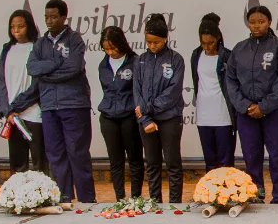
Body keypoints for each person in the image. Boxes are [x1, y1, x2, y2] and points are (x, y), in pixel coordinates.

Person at [28, 0, 96, 206]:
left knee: (77, 153)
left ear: (64, 17)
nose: (49, 20)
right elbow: (32, 68)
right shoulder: (40, 43)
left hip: (74, 104)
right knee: (55, 154)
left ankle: (86, 199)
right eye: (46, 17)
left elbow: (74, 68)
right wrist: (56, 64)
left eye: (54, 16)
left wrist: (47, 72)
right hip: (49, 106)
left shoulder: (74, 39)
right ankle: (64, 197)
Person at [226, 4, 278, 204]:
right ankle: (255, 193)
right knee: (251, 155)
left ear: (269, 22)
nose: (256, 26)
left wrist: (263, 106)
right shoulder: (239, 49)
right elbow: (230, 80)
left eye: (261, 22)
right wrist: (246, 106)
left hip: (274, 112)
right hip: (246, 114)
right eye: (252, 22)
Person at [134, 13, 185, 204]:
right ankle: (155, 202)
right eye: (148, 42)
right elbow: (136, 91)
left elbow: (173, 92)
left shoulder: (176, 60)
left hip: (169, 117)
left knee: (172, 163)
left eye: (156, 42)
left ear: (165, 39)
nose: (152, 46)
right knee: (152, 164)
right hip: (146, 120)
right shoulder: (140, 61)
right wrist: (145, 118)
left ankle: (174, 204)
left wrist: (148, 108)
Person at [0, 8, 47, 176]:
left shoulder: (37, 47)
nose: (16, 30)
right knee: (18, 163)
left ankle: (43, 195)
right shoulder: (7, 49)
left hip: (33, 112)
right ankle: (19, 196)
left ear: (29, 26)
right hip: (13, 116)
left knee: (40, 160)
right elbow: (1, 81)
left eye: (21, 26)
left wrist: (17, 105)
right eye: (13, 27)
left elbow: (38, 83)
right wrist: (7, 109)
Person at [98, 26, 144, 202]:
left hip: (129, 116)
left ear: (121, 44)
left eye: (113, 48)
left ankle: (136, 197)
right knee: (115, 160)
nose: (110, 52)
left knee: (134, 158)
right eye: (106, 49)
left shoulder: (135, 62)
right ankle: (120, 198)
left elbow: (138, 90)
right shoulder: (103, 65)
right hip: (108, 116)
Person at [190, 13, 236, 171]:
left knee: (225, 162)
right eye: (203, 43)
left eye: (210, 43)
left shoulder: (227, 56)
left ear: (218, 38)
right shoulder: (196, 55)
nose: (207, 47)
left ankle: (227, 193)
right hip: (204, 115)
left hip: (223, 115)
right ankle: (211, 193)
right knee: (210, 161)